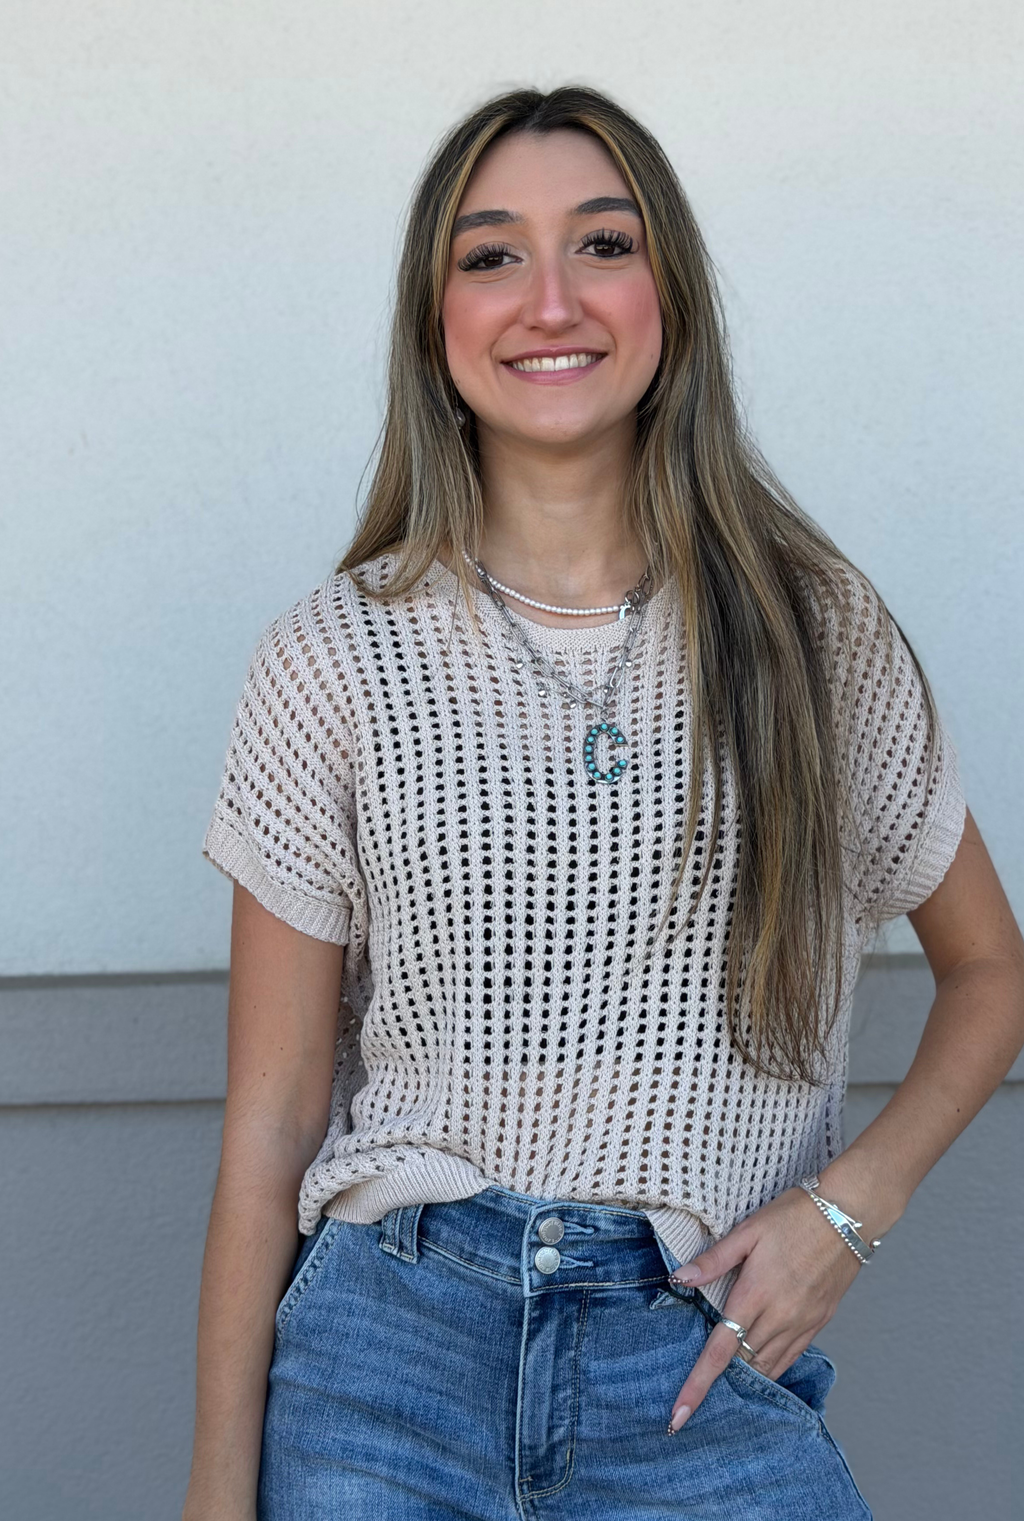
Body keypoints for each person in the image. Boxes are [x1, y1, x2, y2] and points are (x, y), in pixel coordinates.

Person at [182, 86, 1024, 1521]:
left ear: (668, 296)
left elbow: (993, 971)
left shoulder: (811, 630)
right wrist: (216, 1490)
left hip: (697, 1363)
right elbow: (270, 1126)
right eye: (492, 255)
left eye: (603, 244)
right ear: (436, 323)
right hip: (387, 1362)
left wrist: (849, 1211)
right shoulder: (335, 654)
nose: (551, 300)